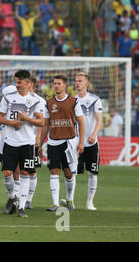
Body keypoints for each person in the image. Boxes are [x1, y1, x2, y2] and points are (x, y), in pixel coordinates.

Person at [0, 70, 44, 219]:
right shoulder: (8, 98)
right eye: (15, 82)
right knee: (7, 173)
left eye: (19, 82)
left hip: (27, 143)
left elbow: (41, 121)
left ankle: (22, 207)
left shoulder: (36, 100)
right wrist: (12, 122)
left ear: (28, 83)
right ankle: (12, 197)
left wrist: (26, 119)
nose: (16, 85)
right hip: (10, 141)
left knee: (25, 173)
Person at [39, 75, 85, 212]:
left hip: (69, 142)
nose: (56, 86)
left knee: (68, 172)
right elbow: (46, 125)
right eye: (54, 83)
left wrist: (81, 142)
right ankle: (55, 203)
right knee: (54, 171)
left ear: (65, 85)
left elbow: (81, 122)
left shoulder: (74, 101)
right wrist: (41, 144)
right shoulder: (48, 103)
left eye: (59, 83)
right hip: (53, 142)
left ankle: (70, 199)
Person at [74, 72, 103, 211]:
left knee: (92, 172)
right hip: (75, 143)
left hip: (91, 142)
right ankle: (70, 201)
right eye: (76, 81)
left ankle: (89, 203)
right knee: (71, 172)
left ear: (86, 83)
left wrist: (94, 134)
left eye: (80, 81)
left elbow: (99, 119)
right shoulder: (72, 100)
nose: (77, 83)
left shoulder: (94, 100)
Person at [25, 75, 47, 210]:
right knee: (18, 170)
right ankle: (17, 197)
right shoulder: (17, 97)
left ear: (31, 84)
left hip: (32, 140)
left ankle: (28, 199)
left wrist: (38, 138)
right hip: (19, 140)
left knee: (32, 170)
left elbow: (42, 122)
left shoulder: (40, 101)